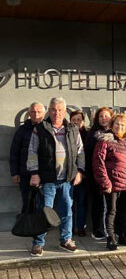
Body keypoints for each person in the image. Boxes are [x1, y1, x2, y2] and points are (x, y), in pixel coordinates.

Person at [27, 97, 85, 257]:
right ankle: (38, 243)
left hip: (67, 179)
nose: (56, 112)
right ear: (49, 111)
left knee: (67, 210)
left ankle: (66, 240)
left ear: (65, 111)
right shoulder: (39, 129)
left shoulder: (73, 129)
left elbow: (80, 152)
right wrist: (34, 173)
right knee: (44, 212)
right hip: (47, 180)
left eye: (60, 109)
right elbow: (32, 152)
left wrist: (80, 171)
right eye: (53, 109)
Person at [93, 114, 126, 250]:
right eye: (117, 124)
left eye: (122, 125)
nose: (119, 127)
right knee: (111, 211)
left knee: (124, 211)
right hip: (112, 184)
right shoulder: (104, 141)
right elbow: (98, 163)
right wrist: (105, 182)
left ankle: (123, 235)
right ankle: (111, 238)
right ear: (111, 125)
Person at [84, 107, 114, 240]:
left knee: (111, 205)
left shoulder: (115, 132)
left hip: (113, 174)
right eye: (101, 116)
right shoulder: (92, 134)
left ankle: (110, 229)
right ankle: (98, 229)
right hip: (96, 174)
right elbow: (88, 154)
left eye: (106, 116)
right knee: (98, 203)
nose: (104, 118)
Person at [9, 102, 45, 214]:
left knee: (44, 203)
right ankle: (26, 226)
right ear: (29, 113)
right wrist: (14, 173)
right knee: (28, 201)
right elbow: (14, 152)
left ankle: (42, 226)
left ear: (44, 114)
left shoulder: (48, 129)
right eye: (33, 111)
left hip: (45, 173)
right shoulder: (22, 130)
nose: (36, 114)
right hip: (25, 173)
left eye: (39, 112)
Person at [69, 110, 88, 237]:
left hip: (83, 174)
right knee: (68, 203)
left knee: (82, 202)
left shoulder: (88, 134)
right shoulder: (67, 132)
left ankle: (80, 227)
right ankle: (69, 228)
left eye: (79, 120)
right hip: (69, 173)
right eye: (74, 119)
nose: (76, 122)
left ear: (83, 121)